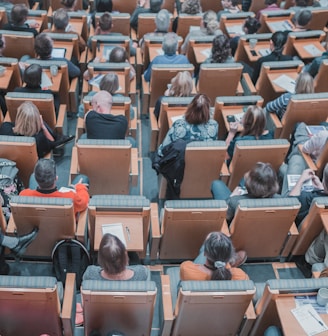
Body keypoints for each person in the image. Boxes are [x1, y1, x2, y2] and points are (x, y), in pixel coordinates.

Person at [211, 162, 281, 224]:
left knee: (216, 184)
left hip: (234, 218)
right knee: (242, 180)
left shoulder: (235, 202)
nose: (246, 174)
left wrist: (232, 197)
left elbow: (224, 216)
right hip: (262, 227)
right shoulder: (280, 200)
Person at [0, 102, 73, 158]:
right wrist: (43, 126)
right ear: (36, 119)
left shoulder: (5, 127)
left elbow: (14, 125)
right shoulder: (39, 138)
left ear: (18, 116)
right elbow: (52, 143)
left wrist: (22, 123)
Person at [20, 158, 90, 215]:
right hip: (64, 231)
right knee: (82, 178)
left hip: (37, 230)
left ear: (36, 179)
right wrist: (80, 187)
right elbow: (85, 202)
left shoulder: (24, 196)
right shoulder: (71, 198)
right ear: (56, 178)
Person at [180, 232, 249, 281]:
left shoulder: (187, 269)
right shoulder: (241, 276)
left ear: (205, 254)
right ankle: (230, 263)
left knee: (211, 236)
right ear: (229, 256)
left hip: (197, 301)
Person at [83, 233, 150, 281]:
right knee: (134, 255)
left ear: (100, 259)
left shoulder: (90, 274)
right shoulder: (143, 273)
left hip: (102, 300)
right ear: (126, 257)